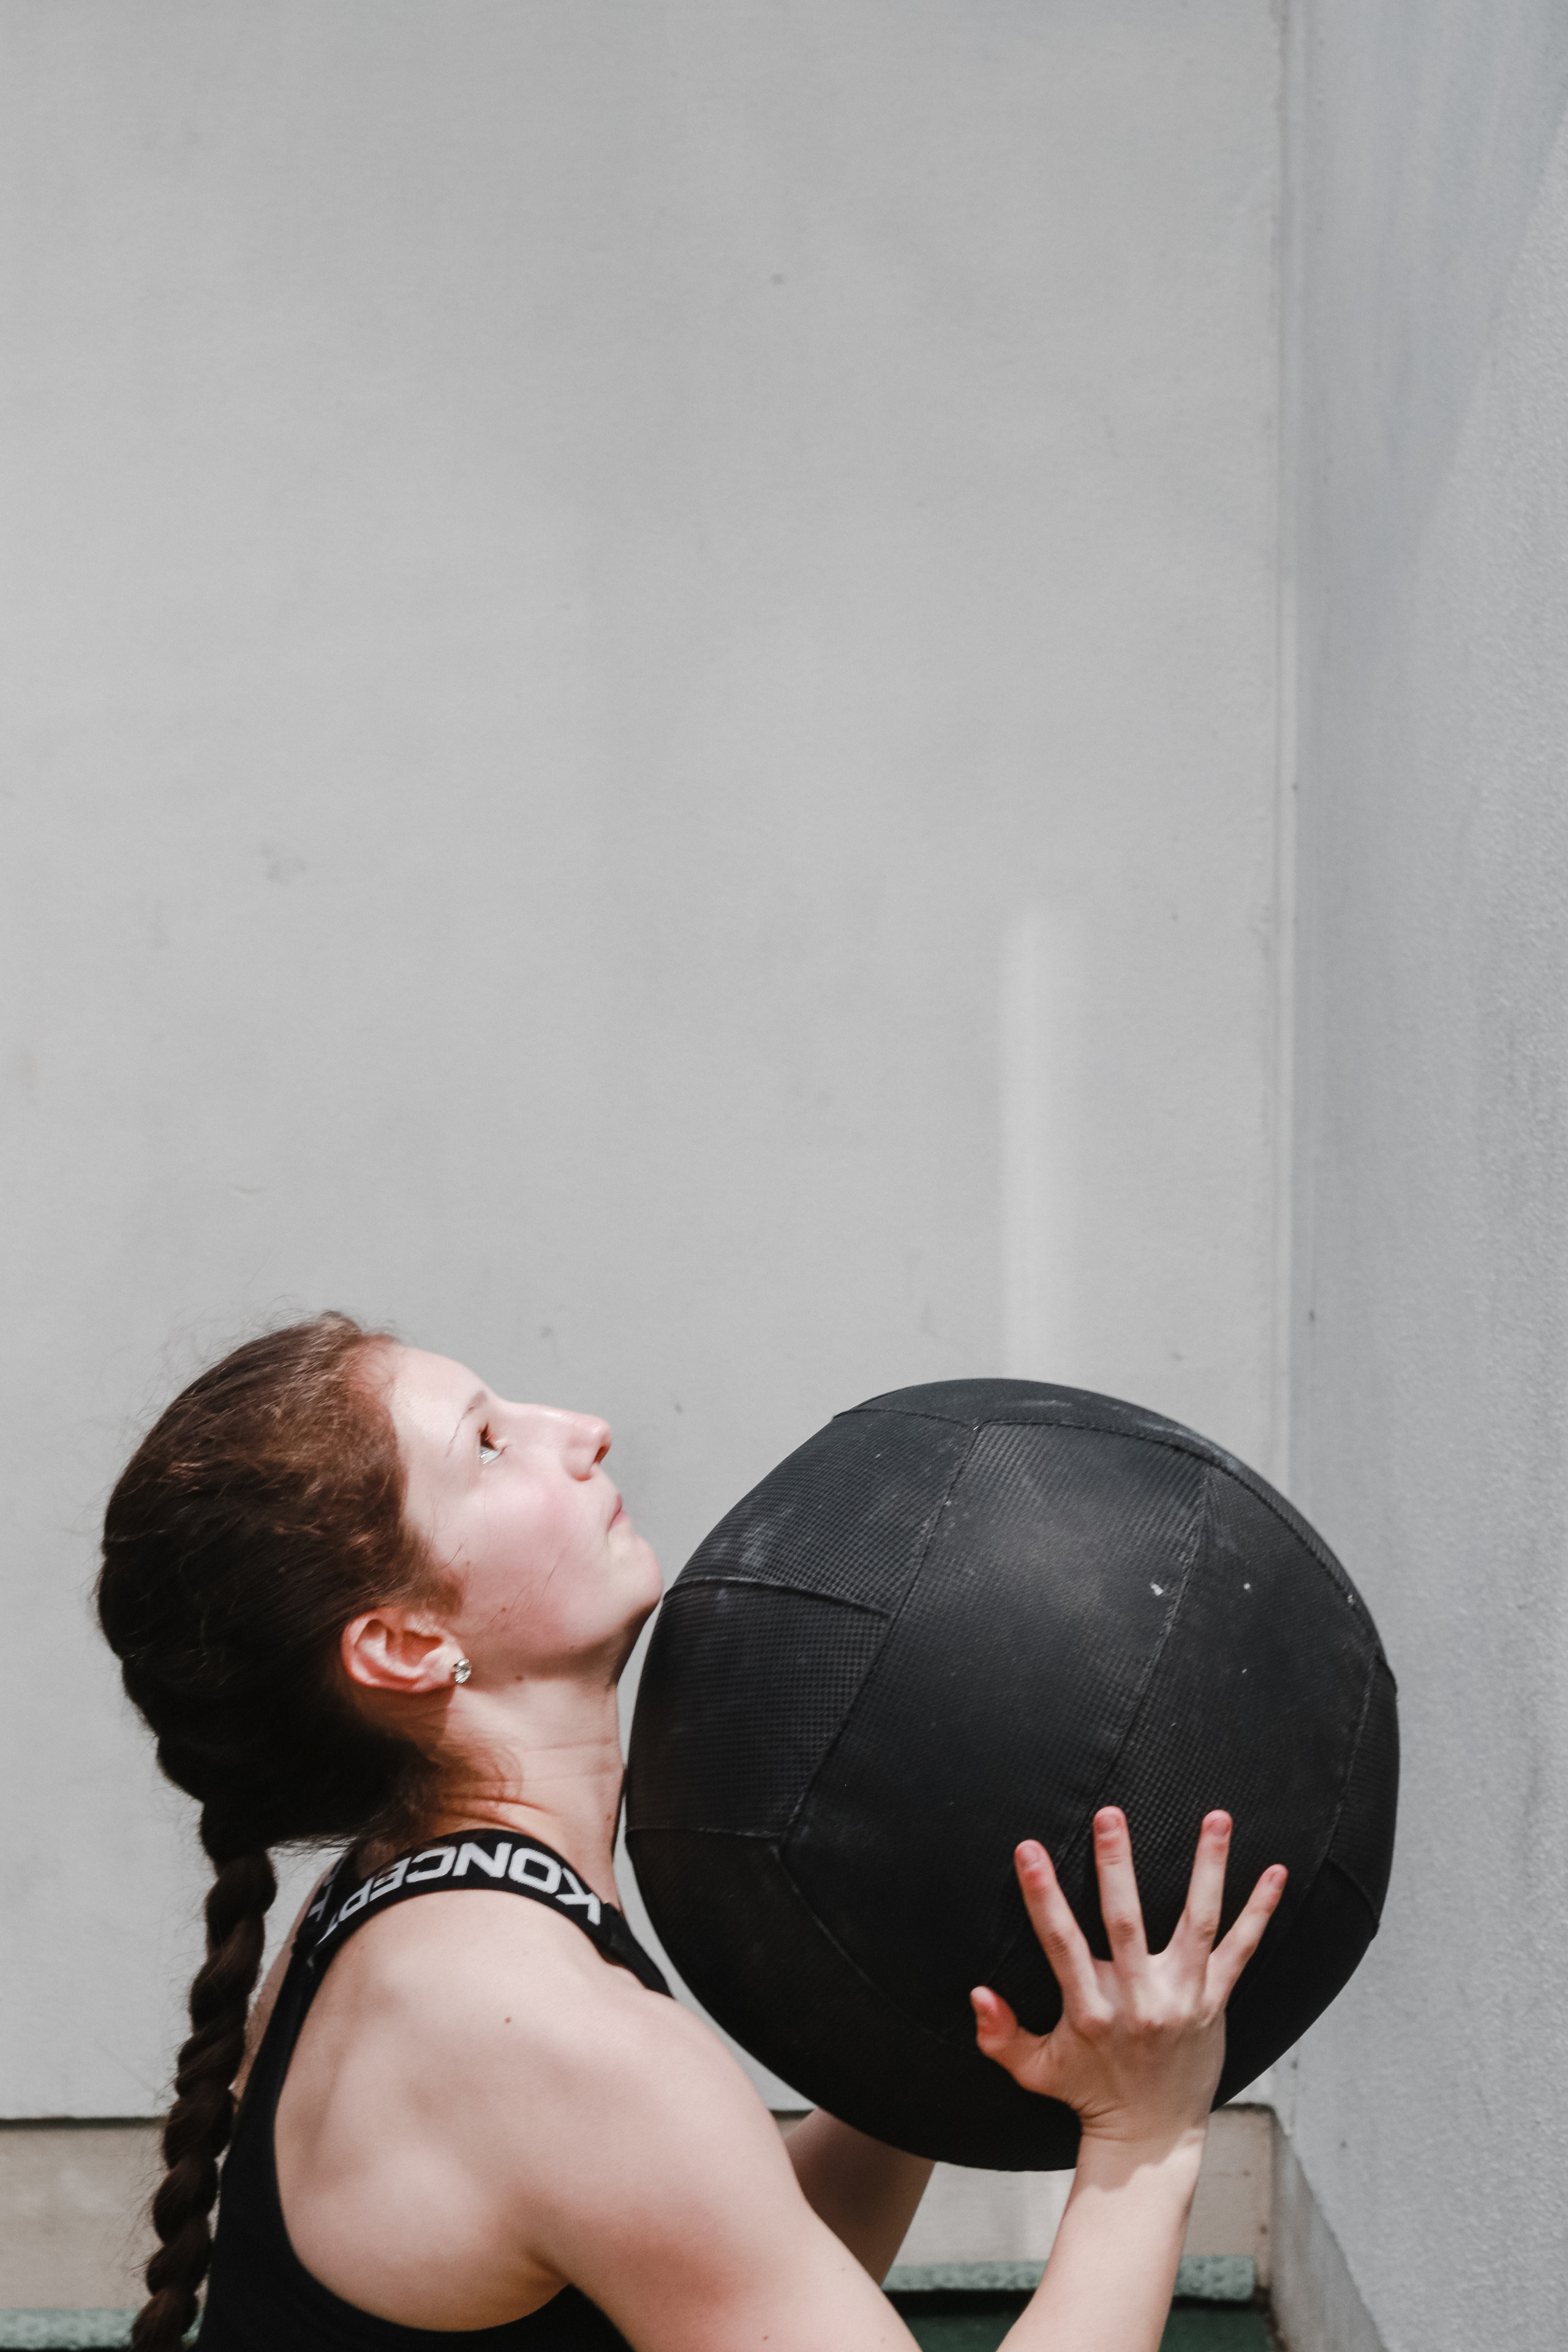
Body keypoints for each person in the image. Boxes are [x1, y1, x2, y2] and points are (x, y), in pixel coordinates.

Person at [97, 1312, 1286, 2352]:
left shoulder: (398, 1913)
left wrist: (911, 2056)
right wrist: (1142, 2140)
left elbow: (713, 2272)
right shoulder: (545, 2035)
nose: (583, 1428)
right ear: (405, 1645)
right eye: (489, 1445)